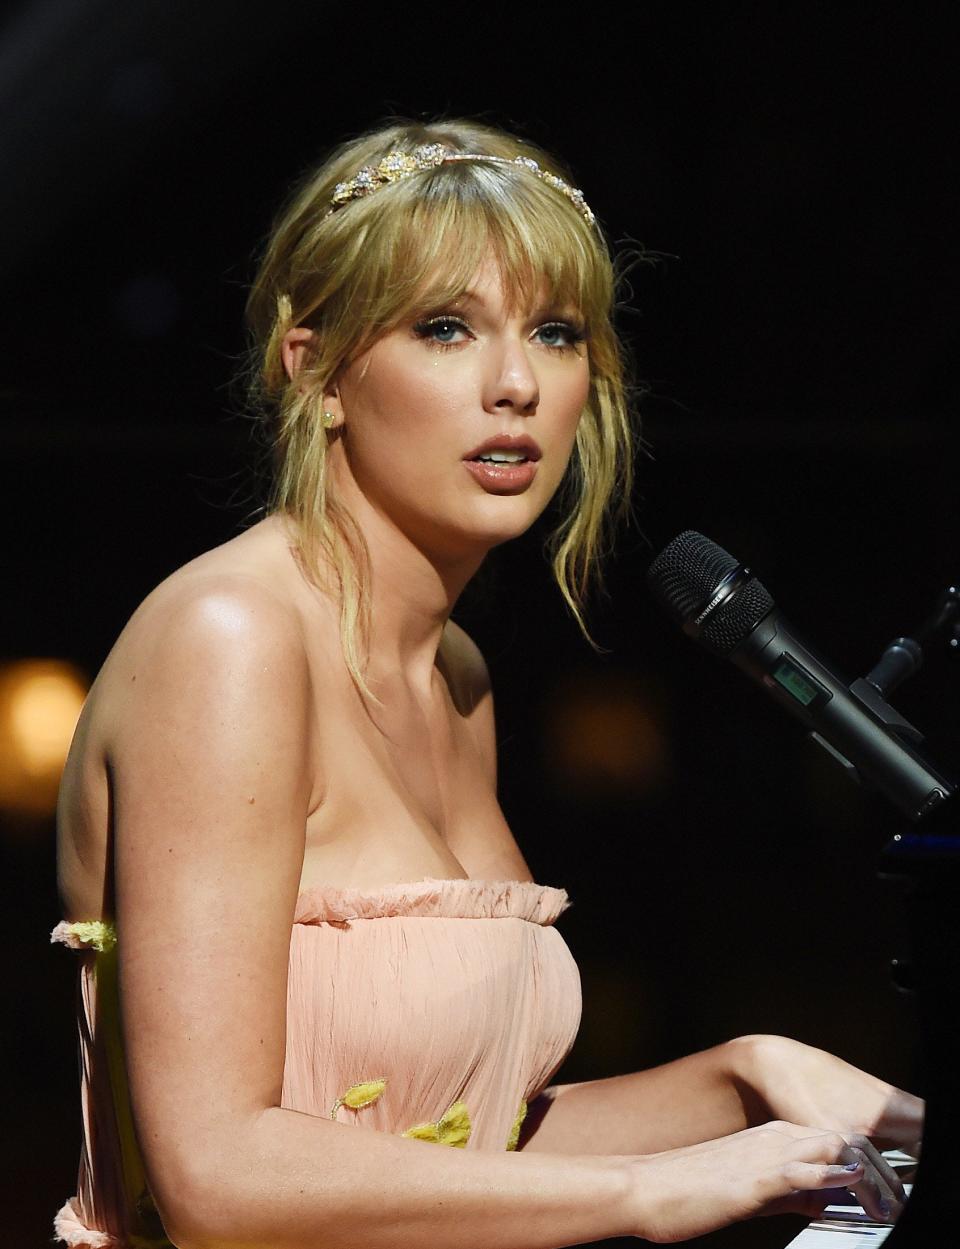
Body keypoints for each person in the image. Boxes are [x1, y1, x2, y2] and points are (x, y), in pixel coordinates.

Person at [53, 117, 922, 1249]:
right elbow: (220, 1176)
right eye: (447, 328)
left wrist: (750, 1079)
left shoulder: (454, 673)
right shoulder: (230, 640)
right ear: (311, 367)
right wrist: (648, 1192)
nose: (514, 383)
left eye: (556, 333)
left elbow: (448, 1150)